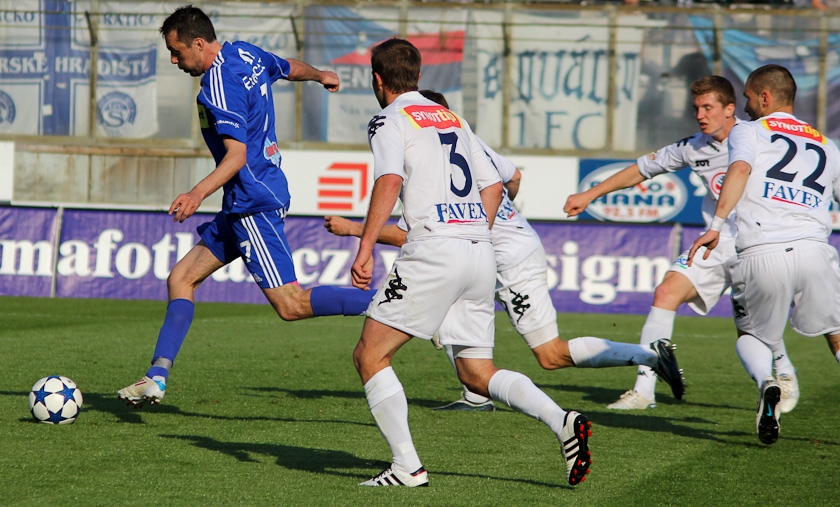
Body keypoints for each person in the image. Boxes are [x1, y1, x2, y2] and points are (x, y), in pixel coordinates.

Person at [326, 90, 684, 413]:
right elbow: (512, 177)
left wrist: (355, 229)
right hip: (496, 252)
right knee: (451, 299)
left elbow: (412, 236)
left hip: (511, 260)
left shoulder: (431, 159)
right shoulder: (471, 142)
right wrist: (498, 213)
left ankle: (648, 356)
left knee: (550, 354)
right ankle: (475, 395)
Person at [351, 38, 592, 488]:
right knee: (476, 374)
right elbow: (495, 184)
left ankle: (407, 467)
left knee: (370, 355)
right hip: (480, 251)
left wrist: (364, 247)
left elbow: (389, 180)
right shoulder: (453, 118)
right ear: (418, 76)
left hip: (434, 250)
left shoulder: (388, 119)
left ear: (377, 80)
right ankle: (561, 421)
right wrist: (474, 229)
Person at [116, 6, 373, 407]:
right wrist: (320, 74)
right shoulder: (245, 53)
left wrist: (196, 194)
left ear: (197, 43)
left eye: (176, 52)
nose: (174, 61)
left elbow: (236, 157)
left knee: (290, 304)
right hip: (247, 200)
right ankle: (156, 376)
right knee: (181, 278)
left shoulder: (217, 86)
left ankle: (400, 306)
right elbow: (287, 68)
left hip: (253, 203)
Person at [564, 76, 800, 412]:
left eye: (708, 107)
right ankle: (644, 390)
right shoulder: (693, 146)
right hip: (713, 242)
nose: (700, 115)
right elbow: (642, 169)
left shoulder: (759, 137)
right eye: (696, 108)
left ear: (730, 109)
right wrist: (590, 194)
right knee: (666, 292)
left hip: (757, 243)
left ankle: (784, 373)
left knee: (752, 326)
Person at [688, 64, 840, 444]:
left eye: (748, 97)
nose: (746, 106)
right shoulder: (827, 144)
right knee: (837, 335)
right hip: (816, 251)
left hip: (762, 250)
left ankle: (767, 382)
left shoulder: (749, 130)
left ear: (765, 97)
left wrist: (715, 226)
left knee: (750, 334)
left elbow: (739, 169)